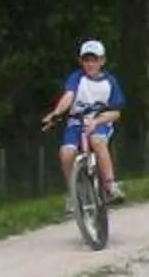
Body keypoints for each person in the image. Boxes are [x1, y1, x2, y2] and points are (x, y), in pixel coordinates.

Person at [39, 38, 127, 204]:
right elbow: (69, 96)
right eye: (86, 60)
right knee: (66, 153)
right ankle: (73, 192)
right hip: (77, 123)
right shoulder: (77, 78)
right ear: (81, 61)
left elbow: (116, 112)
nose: (90, 64)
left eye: (94, 60)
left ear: (102, 61)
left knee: (97, 141)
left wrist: (97, 121)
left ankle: (110, 185)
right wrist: (56, 113)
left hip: (100, 121)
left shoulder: (110, 82)